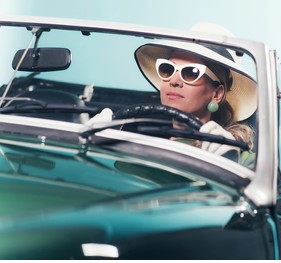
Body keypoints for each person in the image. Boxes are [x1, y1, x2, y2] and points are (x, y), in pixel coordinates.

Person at [88, 23, 257, 165]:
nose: (174, 81)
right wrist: (99, 146)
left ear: (217, 93)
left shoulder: (243, 160)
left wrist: (228, 162)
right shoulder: (144, 147)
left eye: (191, 72)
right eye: (168, 69)